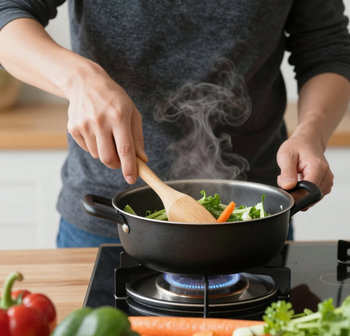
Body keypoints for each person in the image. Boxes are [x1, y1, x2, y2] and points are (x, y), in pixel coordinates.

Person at [0, 1, 349, 247]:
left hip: (254, 219)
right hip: (109, 214)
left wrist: (311, 133)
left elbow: (326, 46)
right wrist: (79, 79)